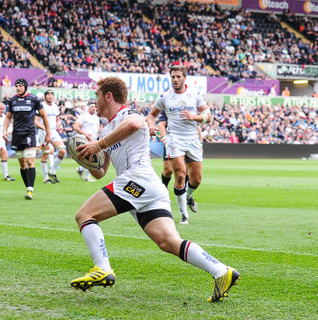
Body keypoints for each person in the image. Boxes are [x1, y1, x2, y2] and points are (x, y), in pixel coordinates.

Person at [69, 76, 239, 303]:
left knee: (84, 215)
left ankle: (102, 267)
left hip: (137, 180)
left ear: (108, 96)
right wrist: (86, 158)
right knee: (168, 241)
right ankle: (221, 271)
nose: (95, 101)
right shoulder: (106, 130)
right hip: (148, 187)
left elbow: (135, 125)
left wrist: (98, 145)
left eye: (97, 96)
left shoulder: (128, 115)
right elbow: (101, 172)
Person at [147, 64, 211, 224]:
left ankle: (188, 197)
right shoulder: (164, 96)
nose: (175, 80)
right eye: (173, 77)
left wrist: (194, 117)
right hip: (174, 139)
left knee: (196, 179)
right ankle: (184, 215)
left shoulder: (195, 94)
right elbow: (152, 115)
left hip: (193, 139)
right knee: (180, 174)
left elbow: (208, 116)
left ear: (184, 78)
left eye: (178, 77)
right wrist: (150, 125)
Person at [3, 78, 51, 200]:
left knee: (30, 162)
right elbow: (8, 117)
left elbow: (44, 116)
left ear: (25, 87)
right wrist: (4, 130)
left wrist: (48, 132)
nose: (18, 88)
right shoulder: (12, 101)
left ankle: (30, 189)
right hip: (16, 135)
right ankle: (28, 188)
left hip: (29, 134)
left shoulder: (34, 99)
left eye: (20, 86)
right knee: (22, 164)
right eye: (16, 86)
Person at [36, 90, 66, 183]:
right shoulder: (41, 106)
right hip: (43, 132)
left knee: (62, 151)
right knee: (46, 153)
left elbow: (57, 119)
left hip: (53, 131)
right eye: (48, 95)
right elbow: (35, 121)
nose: (50, 96)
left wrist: (59, 125)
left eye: (51, 94)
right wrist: (44, 128)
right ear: (45, 96)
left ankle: (52, 171)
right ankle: (46, 178)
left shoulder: (55, 106)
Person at [72, 100, 101, 182]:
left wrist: (99, 133)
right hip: (85, 139)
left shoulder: (96, 116)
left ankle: (81, 169)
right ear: (88, 107)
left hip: (94, 139)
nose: (93, 108)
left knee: (90, 157)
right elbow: (76, 127)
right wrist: (85, 134)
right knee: (90, 157)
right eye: (91, 106)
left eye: (94, 106)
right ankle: (87, 176)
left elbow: (97, 127)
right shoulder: (84, 116)